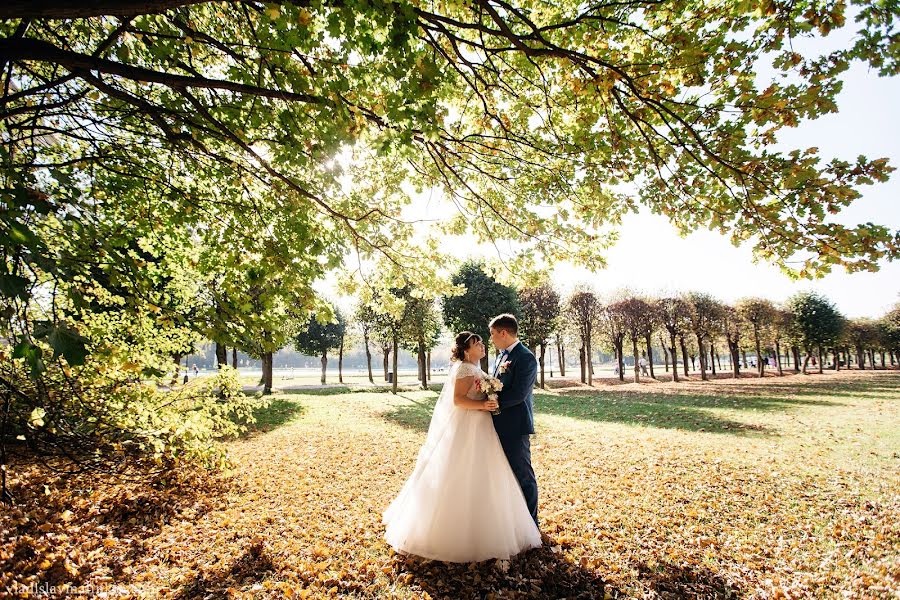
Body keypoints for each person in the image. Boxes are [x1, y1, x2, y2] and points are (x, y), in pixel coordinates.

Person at [383, 331, 541, 562]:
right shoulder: (465, 368)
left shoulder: (478, 366)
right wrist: (484, 405)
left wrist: (489, 402)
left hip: (483, 425)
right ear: (467, 350)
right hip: (470, 425)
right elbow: (458, 400)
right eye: (477, 344)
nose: (482, 346)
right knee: (463, 471)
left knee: (485, 474)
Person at [488, 314, 540, 529]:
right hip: (498, 424)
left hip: (516, 425)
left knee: (523, 474)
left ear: (503, 333)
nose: (491, 339)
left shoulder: (525, 357)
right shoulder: (501, 356)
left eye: (492, 334)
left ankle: (531, 524)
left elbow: (519, 393)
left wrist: (492, 405)